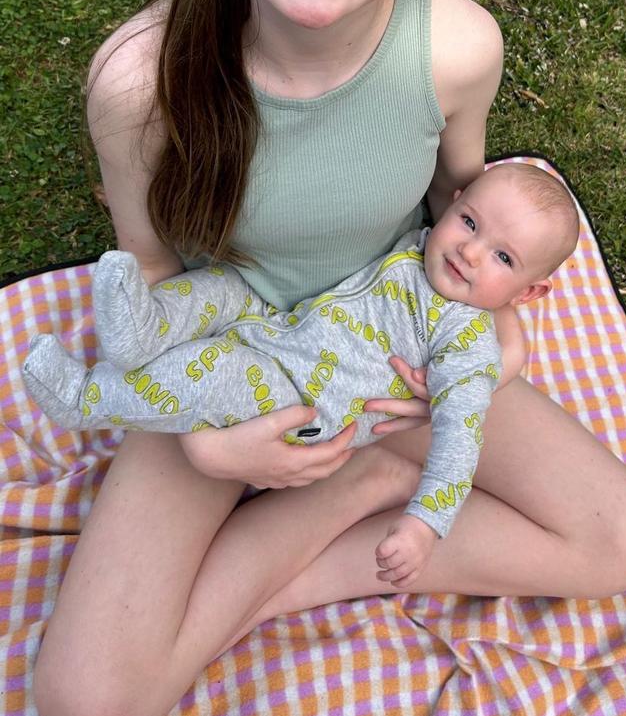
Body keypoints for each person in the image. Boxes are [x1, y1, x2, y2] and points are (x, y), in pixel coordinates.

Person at [31, 0, 626, 716]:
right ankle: (352, 493)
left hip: (393, 341)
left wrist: (492, 329)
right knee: (80, 699)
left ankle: (349, 495)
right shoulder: (137, 84)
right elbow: (148, 276)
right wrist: (210, 445)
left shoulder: (457, 50)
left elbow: (460, 197)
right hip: (231, 359)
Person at [24, 162, 580, 586]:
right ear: (453, 203)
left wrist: (424, 524)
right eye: (469, 223)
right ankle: (141, 333)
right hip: (283, 325)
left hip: (298, 399)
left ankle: (86, 397)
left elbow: (460, 441)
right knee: (224, 286)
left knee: (214, 371)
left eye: (504, 259)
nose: (471, 253)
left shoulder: (466, 346)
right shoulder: (419, 246)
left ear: (529, 293)